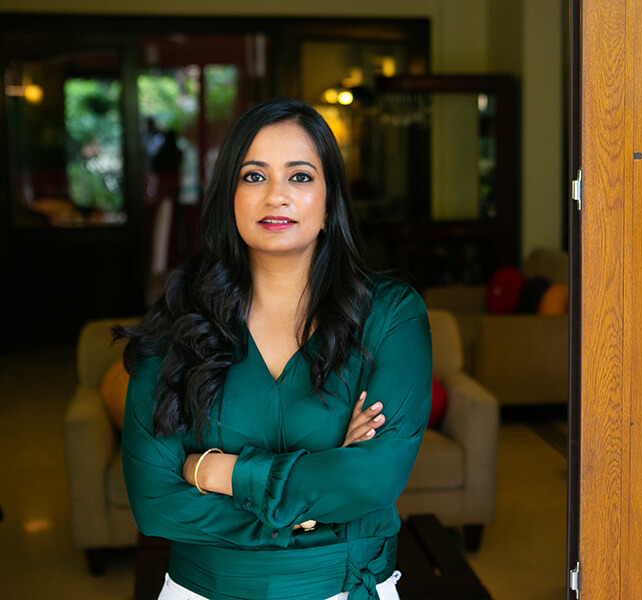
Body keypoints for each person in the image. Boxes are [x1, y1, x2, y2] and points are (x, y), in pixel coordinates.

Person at [117, 98, 432, 600]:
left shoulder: (389, 316)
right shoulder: (178, 323)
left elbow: (374, 479)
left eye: (301, 177)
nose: (276, 196)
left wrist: (218, 471)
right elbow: (155, 502)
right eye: (254, 176)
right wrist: (319, 498)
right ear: (230, 198)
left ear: (330, 203)